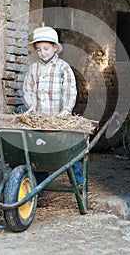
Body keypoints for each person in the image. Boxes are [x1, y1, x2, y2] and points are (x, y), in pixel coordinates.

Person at [23, 26, 83, 207]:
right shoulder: (33, 69)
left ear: (55, 48)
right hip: (40, 119)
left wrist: (66, 109)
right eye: (39, 49)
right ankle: (39, 190)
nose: (42, 53)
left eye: (46, 49)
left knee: (71, 149)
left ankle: (78, 182)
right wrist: (31, 106)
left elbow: (70, 90)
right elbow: (28, 89)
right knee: (40, 152)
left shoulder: (63, 68)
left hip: (61, 119)